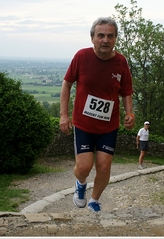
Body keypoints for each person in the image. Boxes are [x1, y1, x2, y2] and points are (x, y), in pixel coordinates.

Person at [59, 17, 135, 212]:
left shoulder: (120, 62)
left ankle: (94, 200)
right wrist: (64, 115)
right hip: (84, 124)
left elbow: (126, 91)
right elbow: (67, 84)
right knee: (84, 167)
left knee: (104, 166)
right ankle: (81, 183)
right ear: (92, 37)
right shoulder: (81, 57)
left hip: (108, 126)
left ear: (115, 38)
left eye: (110, 36)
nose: (105, 40)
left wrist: (129, 113)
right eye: (100, 35)